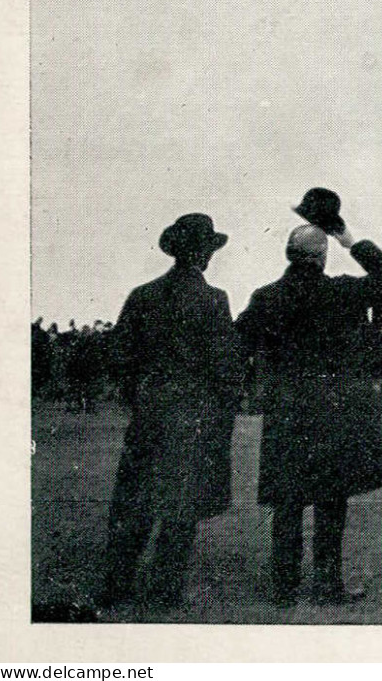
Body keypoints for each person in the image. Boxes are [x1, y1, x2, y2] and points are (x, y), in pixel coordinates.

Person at [237, 194, 382, 606]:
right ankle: (327, 584)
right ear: (322, 257)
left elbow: (237, 345)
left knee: (287, 504)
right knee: (330, 503)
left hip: (288, 411)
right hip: (337, 410)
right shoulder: (343, 292)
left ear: (288, 254)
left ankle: (284, 587)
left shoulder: (266, 297)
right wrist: (349, 239)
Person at [96, 214, 245, 610]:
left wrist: (140, 395)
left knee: (135, 502)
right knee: (181, 507)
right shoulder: (214, 299)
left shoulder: (143, 295)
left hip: (150, 412)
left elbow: (119, 355)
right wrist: (222, 412)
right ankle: (165, 588)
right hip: (194, 415)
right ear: (204, 254)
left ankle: (117, 584)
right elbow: (226, 366)